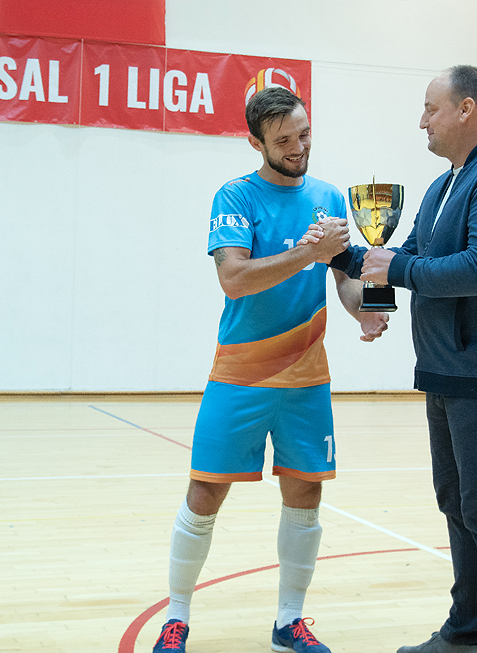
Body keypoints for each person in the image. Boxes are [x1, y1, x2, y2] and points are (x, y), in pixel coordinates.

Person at [151, 86, 389, 653]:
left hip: (307, 379)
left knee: (305, 496)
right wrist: (307, 253)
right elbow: (234, 278)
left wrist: (365, 308)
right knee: (204, 495)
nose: (298, 147)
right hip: (239, 375)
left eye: (304, 134)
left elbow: (343, 279)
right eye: (284, 140)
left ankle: (289, 622)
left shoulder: (329, 198)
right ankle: (176, 618)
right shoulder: (235, 196)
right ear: (255, 142)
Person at [325, 65, 477, 653]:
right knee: (459, 505)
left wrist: (397, 268)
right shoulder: (446, 183)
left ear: (466, 110)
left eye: (430, 108)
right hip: (448, 371)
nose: (422, 121)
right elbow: (406, 256)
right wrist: (341, 256)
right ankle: (464, 631)